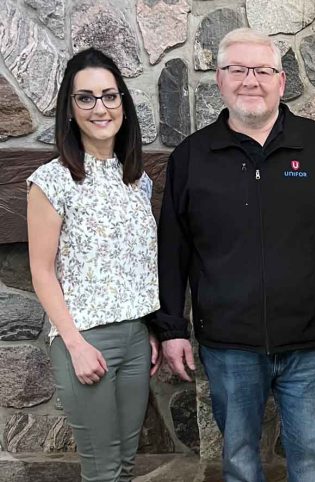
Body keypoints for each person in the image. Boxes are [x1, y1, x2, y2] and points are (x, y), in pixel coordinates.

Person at [149, 28, 315, 482]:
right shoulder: (193, 157)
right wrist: (172, 328)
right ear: (220, 79)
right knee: (240, 463)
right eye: (237, 69)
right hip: (228, 346)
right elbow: (173, 251)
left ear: (281, 81)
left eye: (262, 70)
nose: (251, 80)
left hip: (310, 343)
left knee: (312, 463)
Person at [26, 48, 161, 482]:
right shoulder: (52, 180)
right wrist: (75, 344)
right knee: (102, 472)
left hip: (136, 339)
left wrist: (150, 331)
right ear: (70, 107)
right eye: (86, 98)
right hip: (85, 341)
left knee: (124, 465)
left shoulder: (137, 181)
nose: (100, 108)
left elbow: (136, 265)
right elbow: (42, 271)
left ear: (123, 102)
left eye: (109, 96)